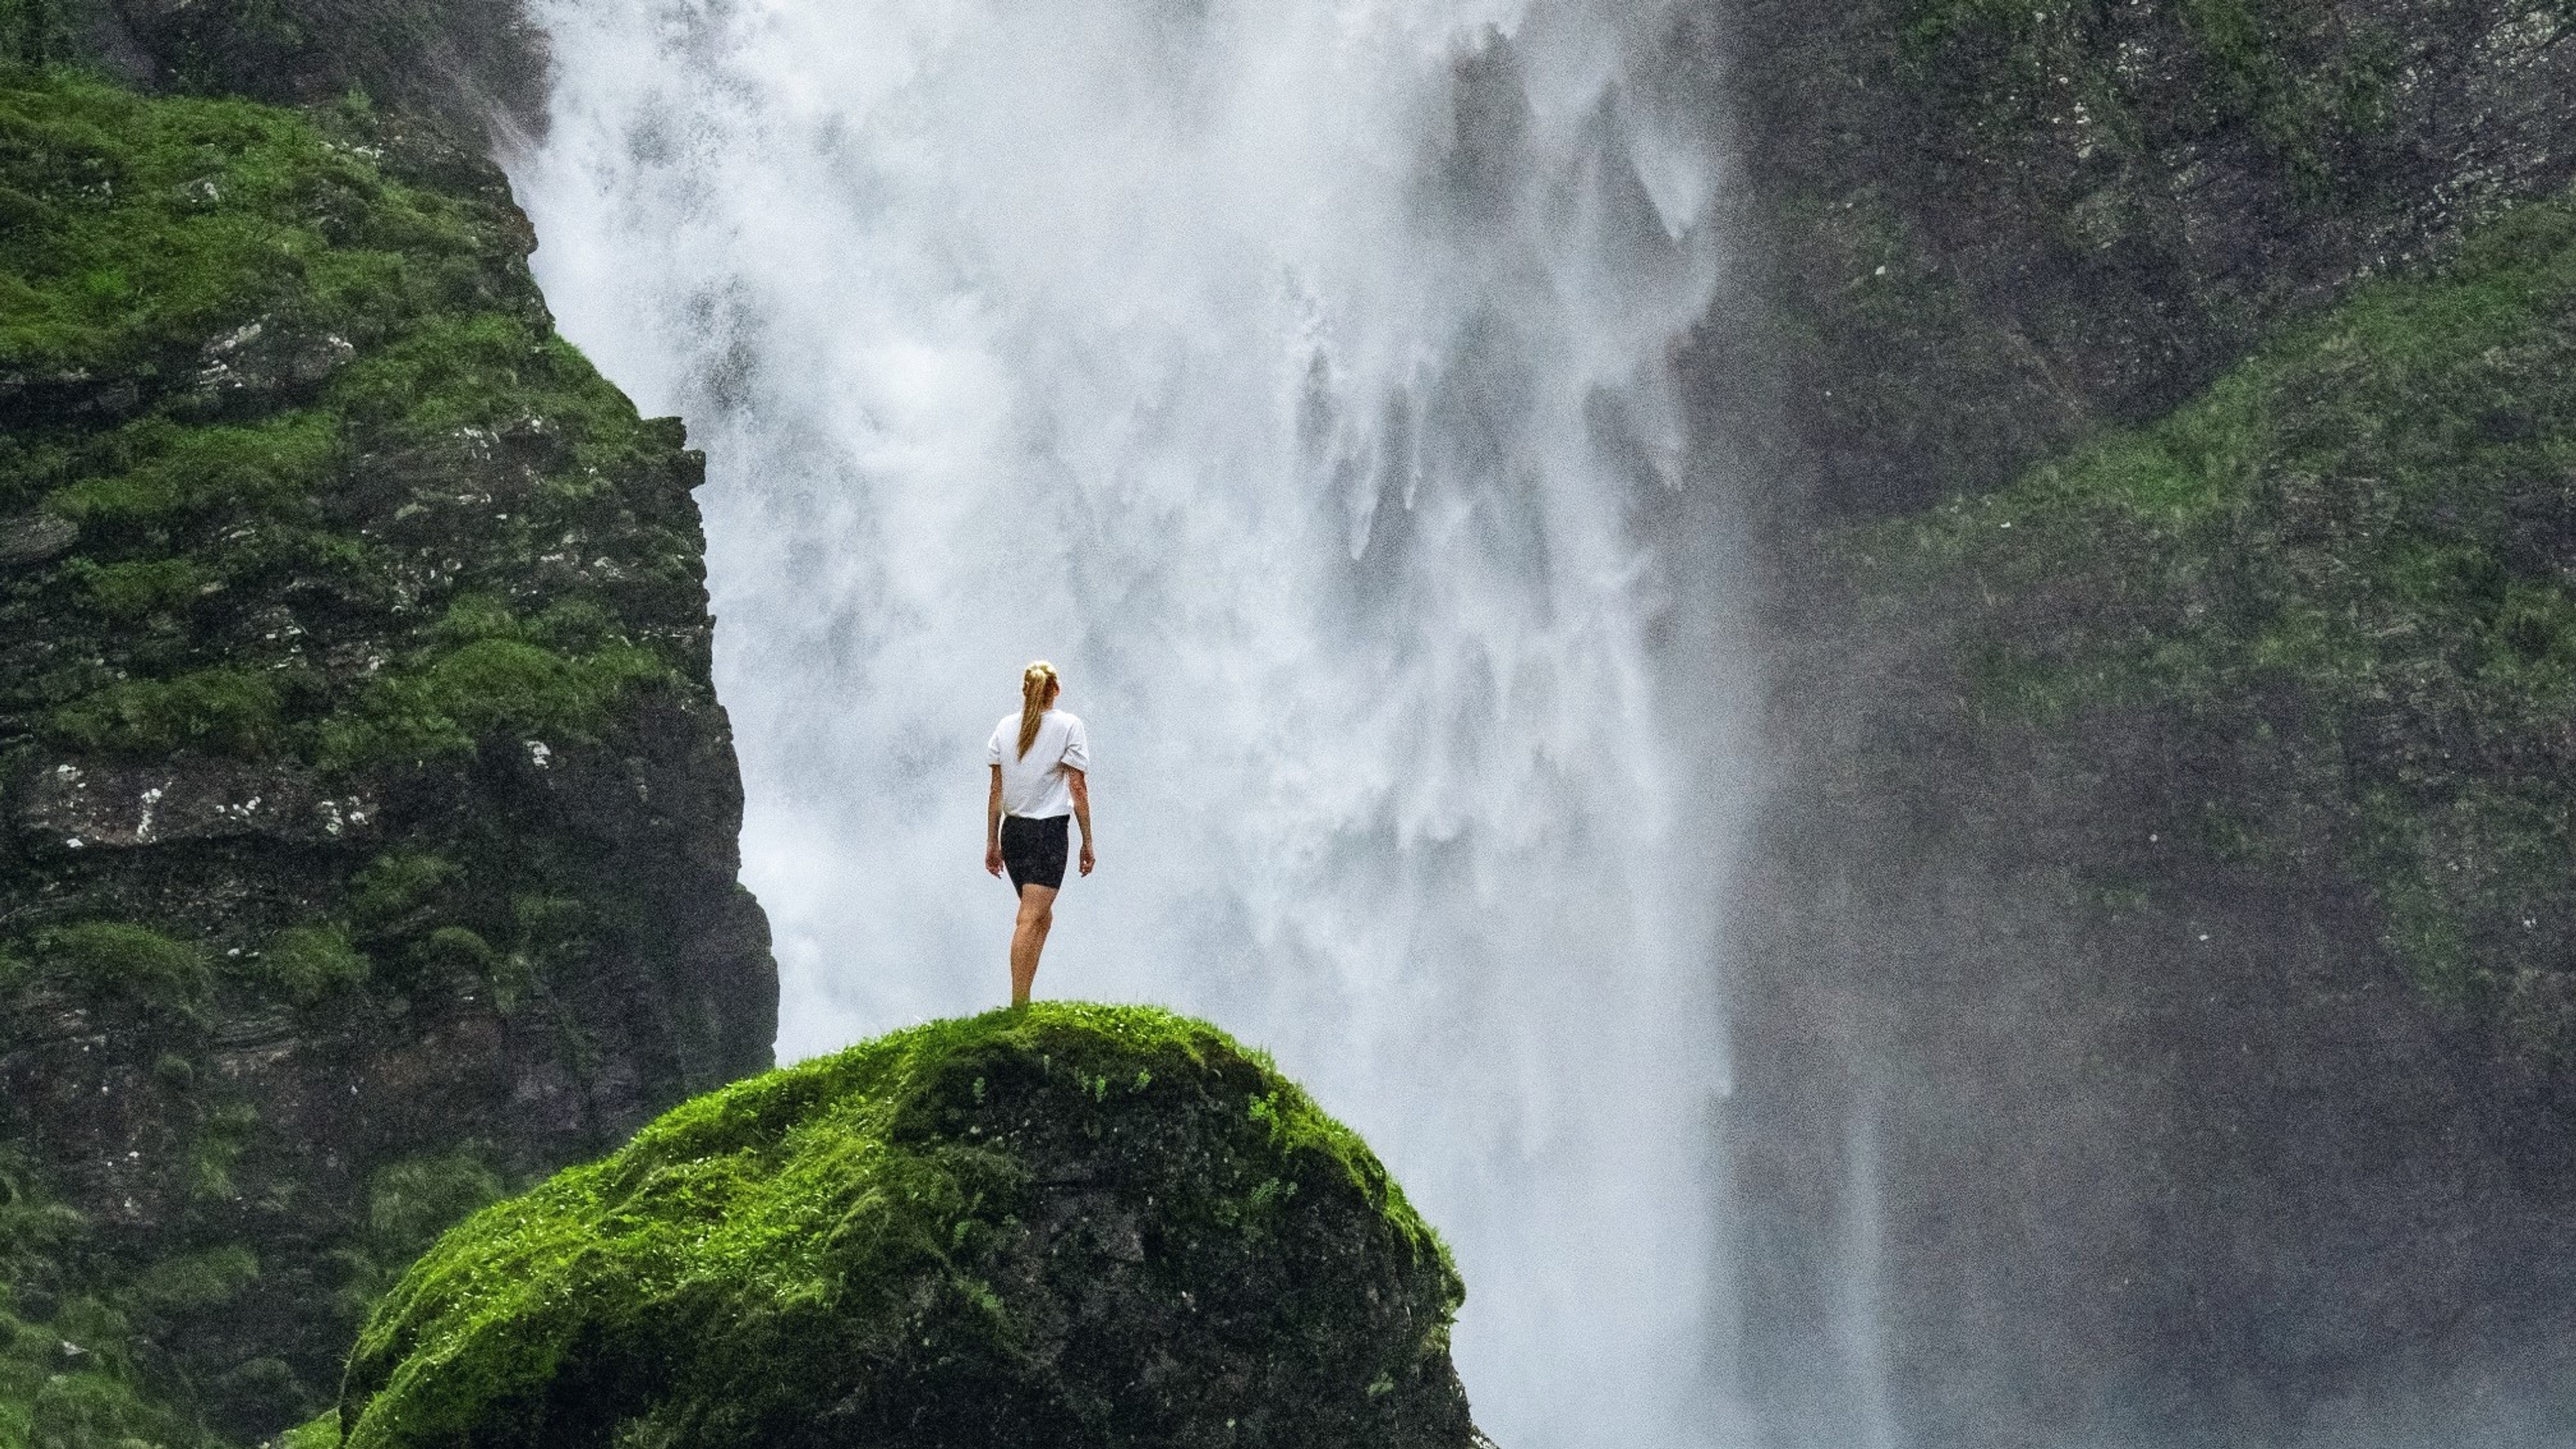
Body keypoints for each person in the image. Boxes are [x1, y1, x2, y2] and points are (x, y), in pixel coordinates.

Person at [985, 660, 1094, 1007]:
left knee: (1041, 918)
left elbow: (996, 789)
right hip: (1047, 834)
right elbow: (1078, 787)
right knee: (1030, 918)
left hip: (1012, 834)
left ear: (1025, 690)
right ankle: (1017, 1006)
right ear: (1055, 691)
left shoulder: (1004, 727)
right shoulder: (1069, 726)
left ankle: (1024, 1000)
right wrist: (1088, 841)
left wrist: (992, 841)